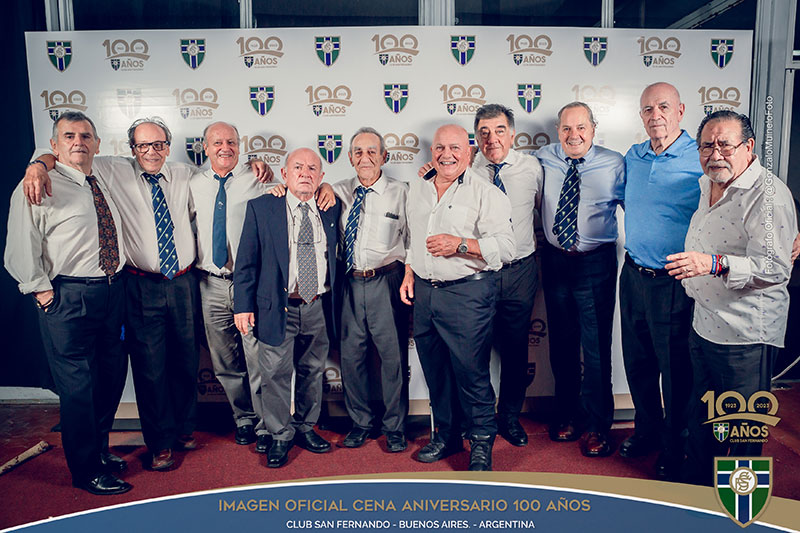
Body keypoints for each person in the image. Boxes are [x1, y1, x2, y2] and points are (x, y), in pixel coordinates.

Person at [22, 117, 271, 471]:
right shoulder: (111, 170)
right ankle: (160, 443)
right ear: (132, 148)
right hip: (141, 284)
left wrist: (257, 162)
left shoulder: (186, 174)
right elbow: (68, 153)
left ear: (168, 147)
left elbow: (226, 171)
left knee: (186, 361)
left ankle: (184, 429)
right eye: (143, 145)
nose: (151, 152)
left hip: (185, 281)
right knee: (150, 367)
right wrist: (37, 164)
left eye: (158, 145)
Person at [666, 110, 796, 486]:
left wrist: (713, 263)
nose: (715, 153)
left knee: (741, 429)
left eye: (725, 144)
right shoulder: (709, 182)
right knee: (703, 418)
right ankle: (697, 492)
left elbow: (774, 268)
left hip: (745, 335)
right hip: (705, 323)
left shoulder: (768, 197)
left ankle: (740, 507)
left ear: (749, 146)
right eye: (707, 146)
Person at [5, 111, 131, 494]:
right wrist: (42, 293)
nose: (79, 142)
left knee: (110, 379)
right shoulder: (37, 184)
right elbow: (20, 245)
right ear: (54, 145)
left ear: (97, 143)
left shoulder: (101, 175)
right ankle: (86, 470)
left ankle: (100, 450)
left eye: (86, 136)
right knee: (78, 388)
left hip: (112, 291)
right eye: (69, 136)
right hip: (67, 297)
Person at [400, 124, 515, 471]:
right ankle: (447, 435)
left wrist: (461, 245)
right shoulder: (419, 187)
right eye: (440, 148)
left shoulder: (486, 192)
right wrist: (409, 270)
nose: (446, 154)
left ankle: (481, 441)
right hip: (426, 293)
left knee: (472, 373)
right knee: (436, 372)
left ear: (469, 152)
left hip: (467, 293)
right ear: (431, 151)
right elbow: (413, 236)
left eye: (455, 148)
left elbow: (506, 248)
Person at [234, 148, 341, 468]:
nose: (305, 173)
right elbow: (246, 263)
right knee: (275, 375)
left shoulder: (331, 206)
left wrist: (329, 189)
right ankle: (280, 434)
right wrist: (242, 306)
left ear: (322, 177)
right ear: (284, 174)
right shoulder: (262, 207)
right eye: (298, 167)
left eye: (312, 168)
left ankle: (306, 427)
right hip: (277, 306)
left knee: (312, 371)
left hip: (317, 305)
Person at [619, 82, 701, 480]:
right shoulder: (632, 157)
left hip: (674, 282)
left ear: (680, 111)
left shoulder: (701, 156)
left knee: (675, 371)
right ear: (641, 116)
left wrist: (789, 230)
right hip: (633, 274)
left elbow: (750, 192)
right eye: (648, 109)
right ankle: (647, 431)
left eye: (664, 107)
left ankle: (674, 445)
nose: (656, 116)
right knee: (638, 364)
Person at [537, 102, 625, 457]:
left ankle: (597, 426)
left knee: (597, 349)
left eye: (581, 127)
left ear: (593, 129)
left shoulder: (615, 163)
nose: (574, 135)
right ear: (558, 131)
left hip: (596, 262)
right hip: (555, 260)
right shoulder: (543, 157)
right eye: (566, 128)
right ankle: (567, 415)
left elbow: (640, 207)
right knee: (561, 344)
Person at [190, 121, 273, 449]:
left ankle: (266, 424)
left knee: (257, 358)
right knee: (224, 361)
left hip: (248, 283)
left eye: (231, 142)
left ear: (240, 146)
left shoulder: (258, 178)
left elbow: (291, 196)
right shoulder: (192, 182)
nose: (225, 148)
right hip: (210, 284)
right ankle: (243, 418)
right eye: (218, 142)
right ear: (205, 147)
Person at [333, 128, 409, 452]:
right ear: (350, 157)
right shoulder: (336, 191)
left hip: (386, 280)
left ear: (384, 157)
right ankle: (361, 423)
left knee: (393, 359)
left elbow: (413, 239)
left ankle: (395, 427)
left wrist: (409, 275)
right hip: (349, 282)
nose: (365, 158)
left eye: (372, 151)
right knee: (351, 358)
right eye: (358, 152)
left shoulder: (402, 192)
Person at [471, 103, 543, 447]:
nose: (492, 139)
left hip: (520, 271)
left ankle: (510, 418)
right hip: (479, 273)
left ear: (512, 134)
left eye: (499, 130)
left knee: (515, 351)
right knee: (475, 351)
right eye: (484, 132)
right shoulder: (465, 169)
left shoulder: (532, 167)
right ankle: (480, 418)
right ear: (476, 138)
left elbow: (544, 209)